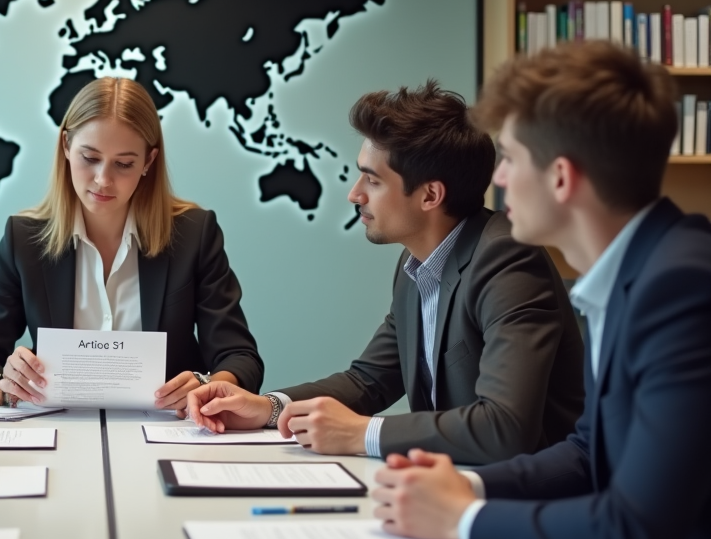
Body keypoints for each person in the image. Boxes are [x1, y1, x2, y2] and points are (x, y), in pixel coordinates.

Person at [372, 42, 711, 539]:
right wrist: (467, 483)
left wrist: (463, 519)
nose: (497, 178)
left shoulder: (680, 289)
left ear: (560, 178)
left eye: (508, 157)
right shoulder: (636, 272)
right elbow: (586, 450)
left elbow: (635, 533)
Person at [184, 81, 585, 465]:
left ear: (430, 195)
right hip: (451, 484)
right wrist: (267, 407)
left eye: (372, 180)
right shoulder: (417, 263)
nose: (355, 194)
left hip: (528, 500)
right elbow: (368, 381)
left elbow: (504, 427)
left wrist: (362, 433)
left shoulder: (507, 260)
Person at [0, 77, 263, 409]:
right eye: (90, 157)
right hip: (58, 428)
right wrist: (3, 384)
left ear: (148, 162)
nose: (103, 179)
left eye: (124, 164)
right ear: (66, 147)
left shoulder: (193, 234)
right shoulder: (24, 238)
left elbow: (239, 357)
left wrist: (208, 386)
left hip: (166, 432)